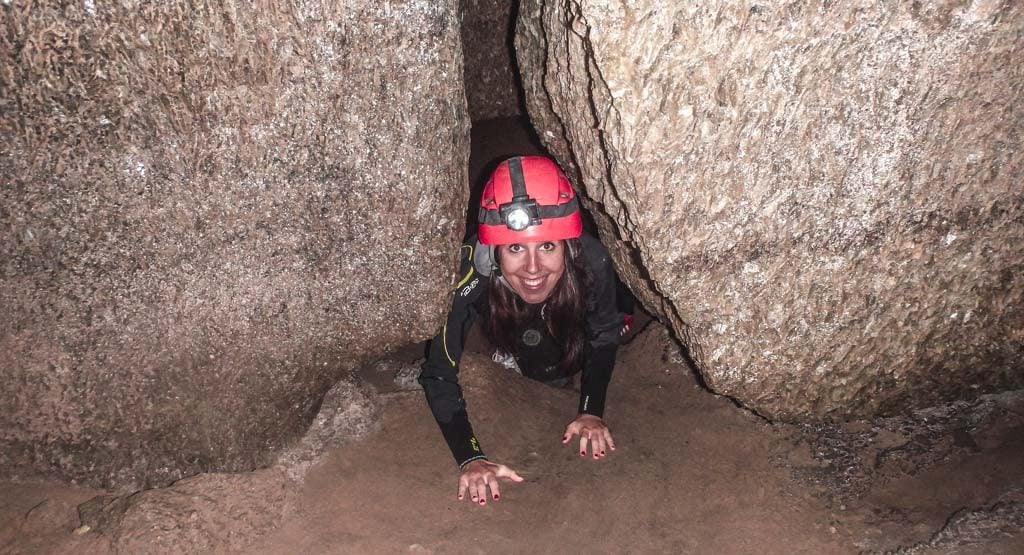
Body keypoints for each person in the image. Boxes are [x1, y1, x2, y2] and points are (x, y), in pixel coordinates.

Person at [418, 155, 625, 506]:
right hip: (504, 317)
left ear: (568, 245)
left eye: (547, 246)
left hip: (567, 322)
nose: (533, 268)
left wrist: (591, 408)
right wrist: (471, 456)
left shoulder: (591, 258)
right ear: (494, 250)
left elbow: (604, 333)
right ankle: (512, 351)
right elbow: (439, 373)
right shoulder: (469, 271)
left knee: (558, 368)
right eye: (515, 247)